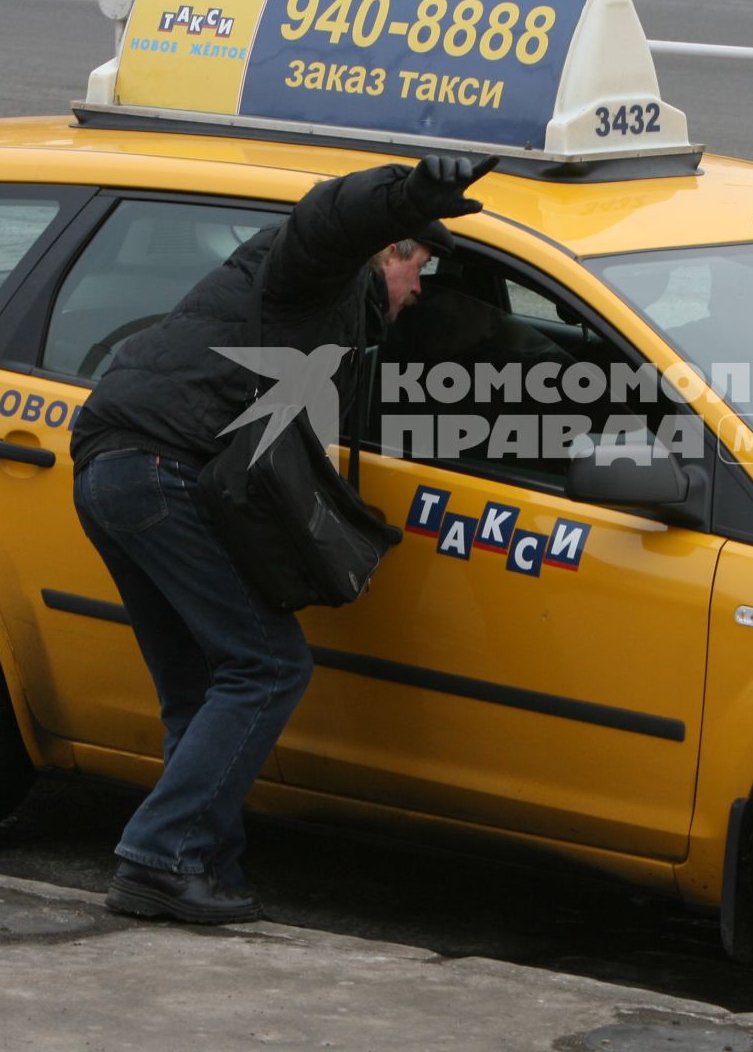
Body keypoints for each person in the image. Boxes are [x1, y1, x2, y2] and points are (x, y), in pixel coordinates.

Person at [68, 154, 495, 923]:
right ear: (389, 251)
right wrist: (408, 196)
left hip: (117, 472)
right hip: (157, 470)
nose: (420, 288)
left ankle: (200, 867)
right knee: (267, 665)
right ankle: (158, 854)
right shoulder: (317, 271)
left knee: (200, 689)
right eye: (418, 265)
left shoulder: (322, 309)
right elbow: (326, 217)